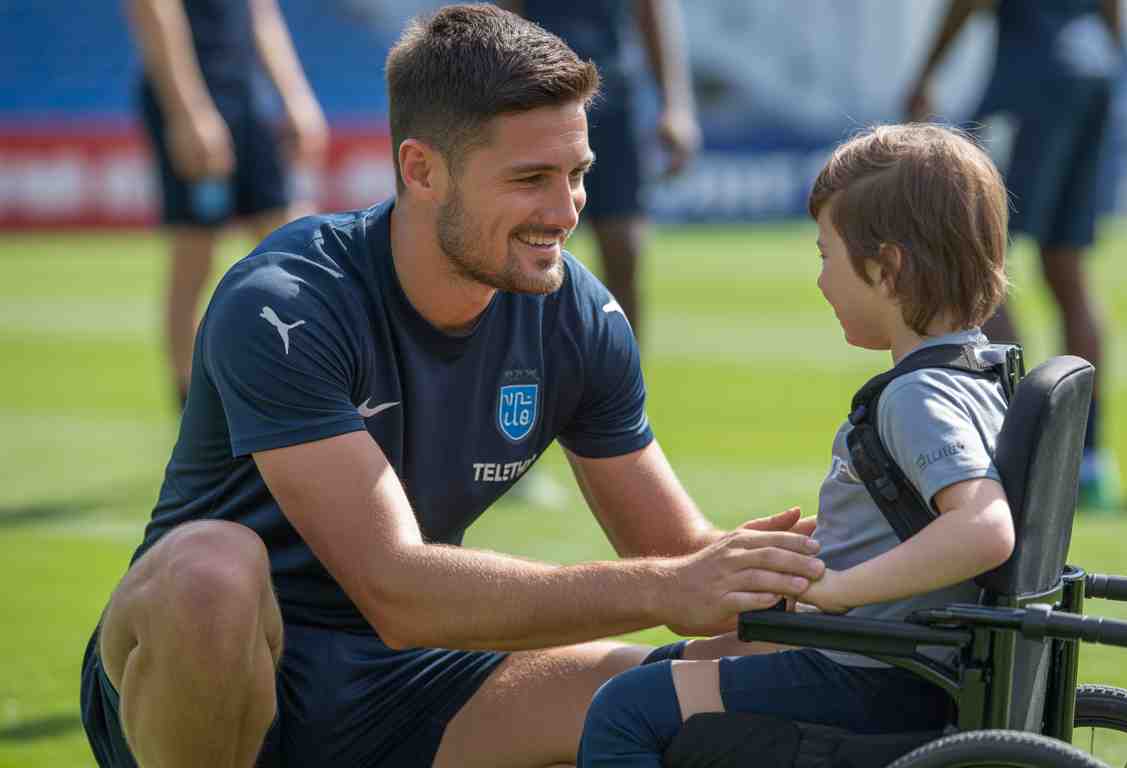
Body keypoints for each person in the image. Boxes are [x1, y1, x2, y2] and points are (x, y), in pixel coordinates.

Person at [79, 6, 824, 767]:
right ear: (421, 169)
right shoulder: (285, 303)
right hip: (225, 669)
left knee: (732, 683)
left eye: (577, 176)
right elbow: (397, 589)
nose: (565, 212)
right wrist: (669, 587)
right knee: (211, 570)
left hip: (408, 679)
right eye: (531, 179)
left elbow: (684, 559)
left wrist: (851, 575)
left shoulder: (581, 314)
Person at [577, 123, 1017, 766]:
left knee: (625, 708)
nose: (820, 282)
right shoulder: (979, 377)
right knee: (668, 666)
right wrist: (805, 550)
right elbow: (919, 520)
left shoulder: (918, 397)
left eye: (825, 255)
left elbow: (984, 528)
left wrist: (842, 587)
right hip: (902, 663)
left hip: (874, 673)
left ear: (886, 268)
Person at [905, 0, 1122, 510]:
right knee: (1066, 266)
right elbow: (1116, 13)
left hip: (1031, 72)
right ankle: (1090, 463)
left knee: (978, 255)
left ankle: (1028, 459)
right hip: (1094, 67)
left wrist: (926, 70)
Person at [124, 0, 329, 407]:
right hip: (191, 95)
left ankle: (309, 391)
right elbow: (154, 12)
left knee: (295, 243)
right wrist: (189, 112)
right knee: (195, 257)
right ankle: (195, 413)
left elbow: (261, 13)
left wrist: (295, 96)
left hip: (248, 92)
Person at [499, 0, 701, 342]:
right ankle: (526, 372)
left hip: (615, 98)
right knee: (532, 249)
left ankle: (623, 380)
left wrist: (676, 107)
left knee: (624, 248)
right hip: (539, 99)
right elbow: (505, 15)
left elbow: (652, 11)